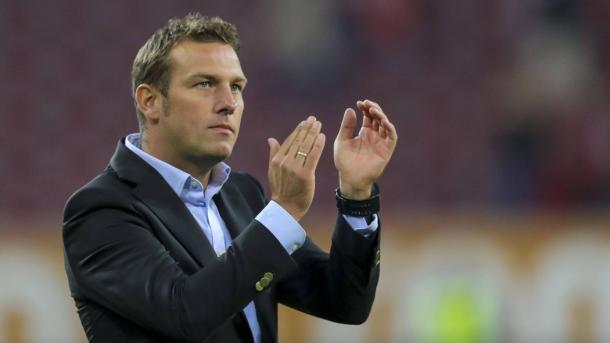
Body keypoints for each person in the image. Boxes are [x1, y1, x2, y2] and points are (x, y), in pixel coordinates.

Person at [62, 13, 397, 343]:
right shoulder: (100, 210)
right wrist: (283, 211)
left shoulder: (241, 195)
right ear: (149, 101)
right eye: (204, 83)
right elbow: (184, 314)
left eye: (236, 87)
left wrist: (356, 196)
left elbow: (344, 302)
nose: (228, 103)